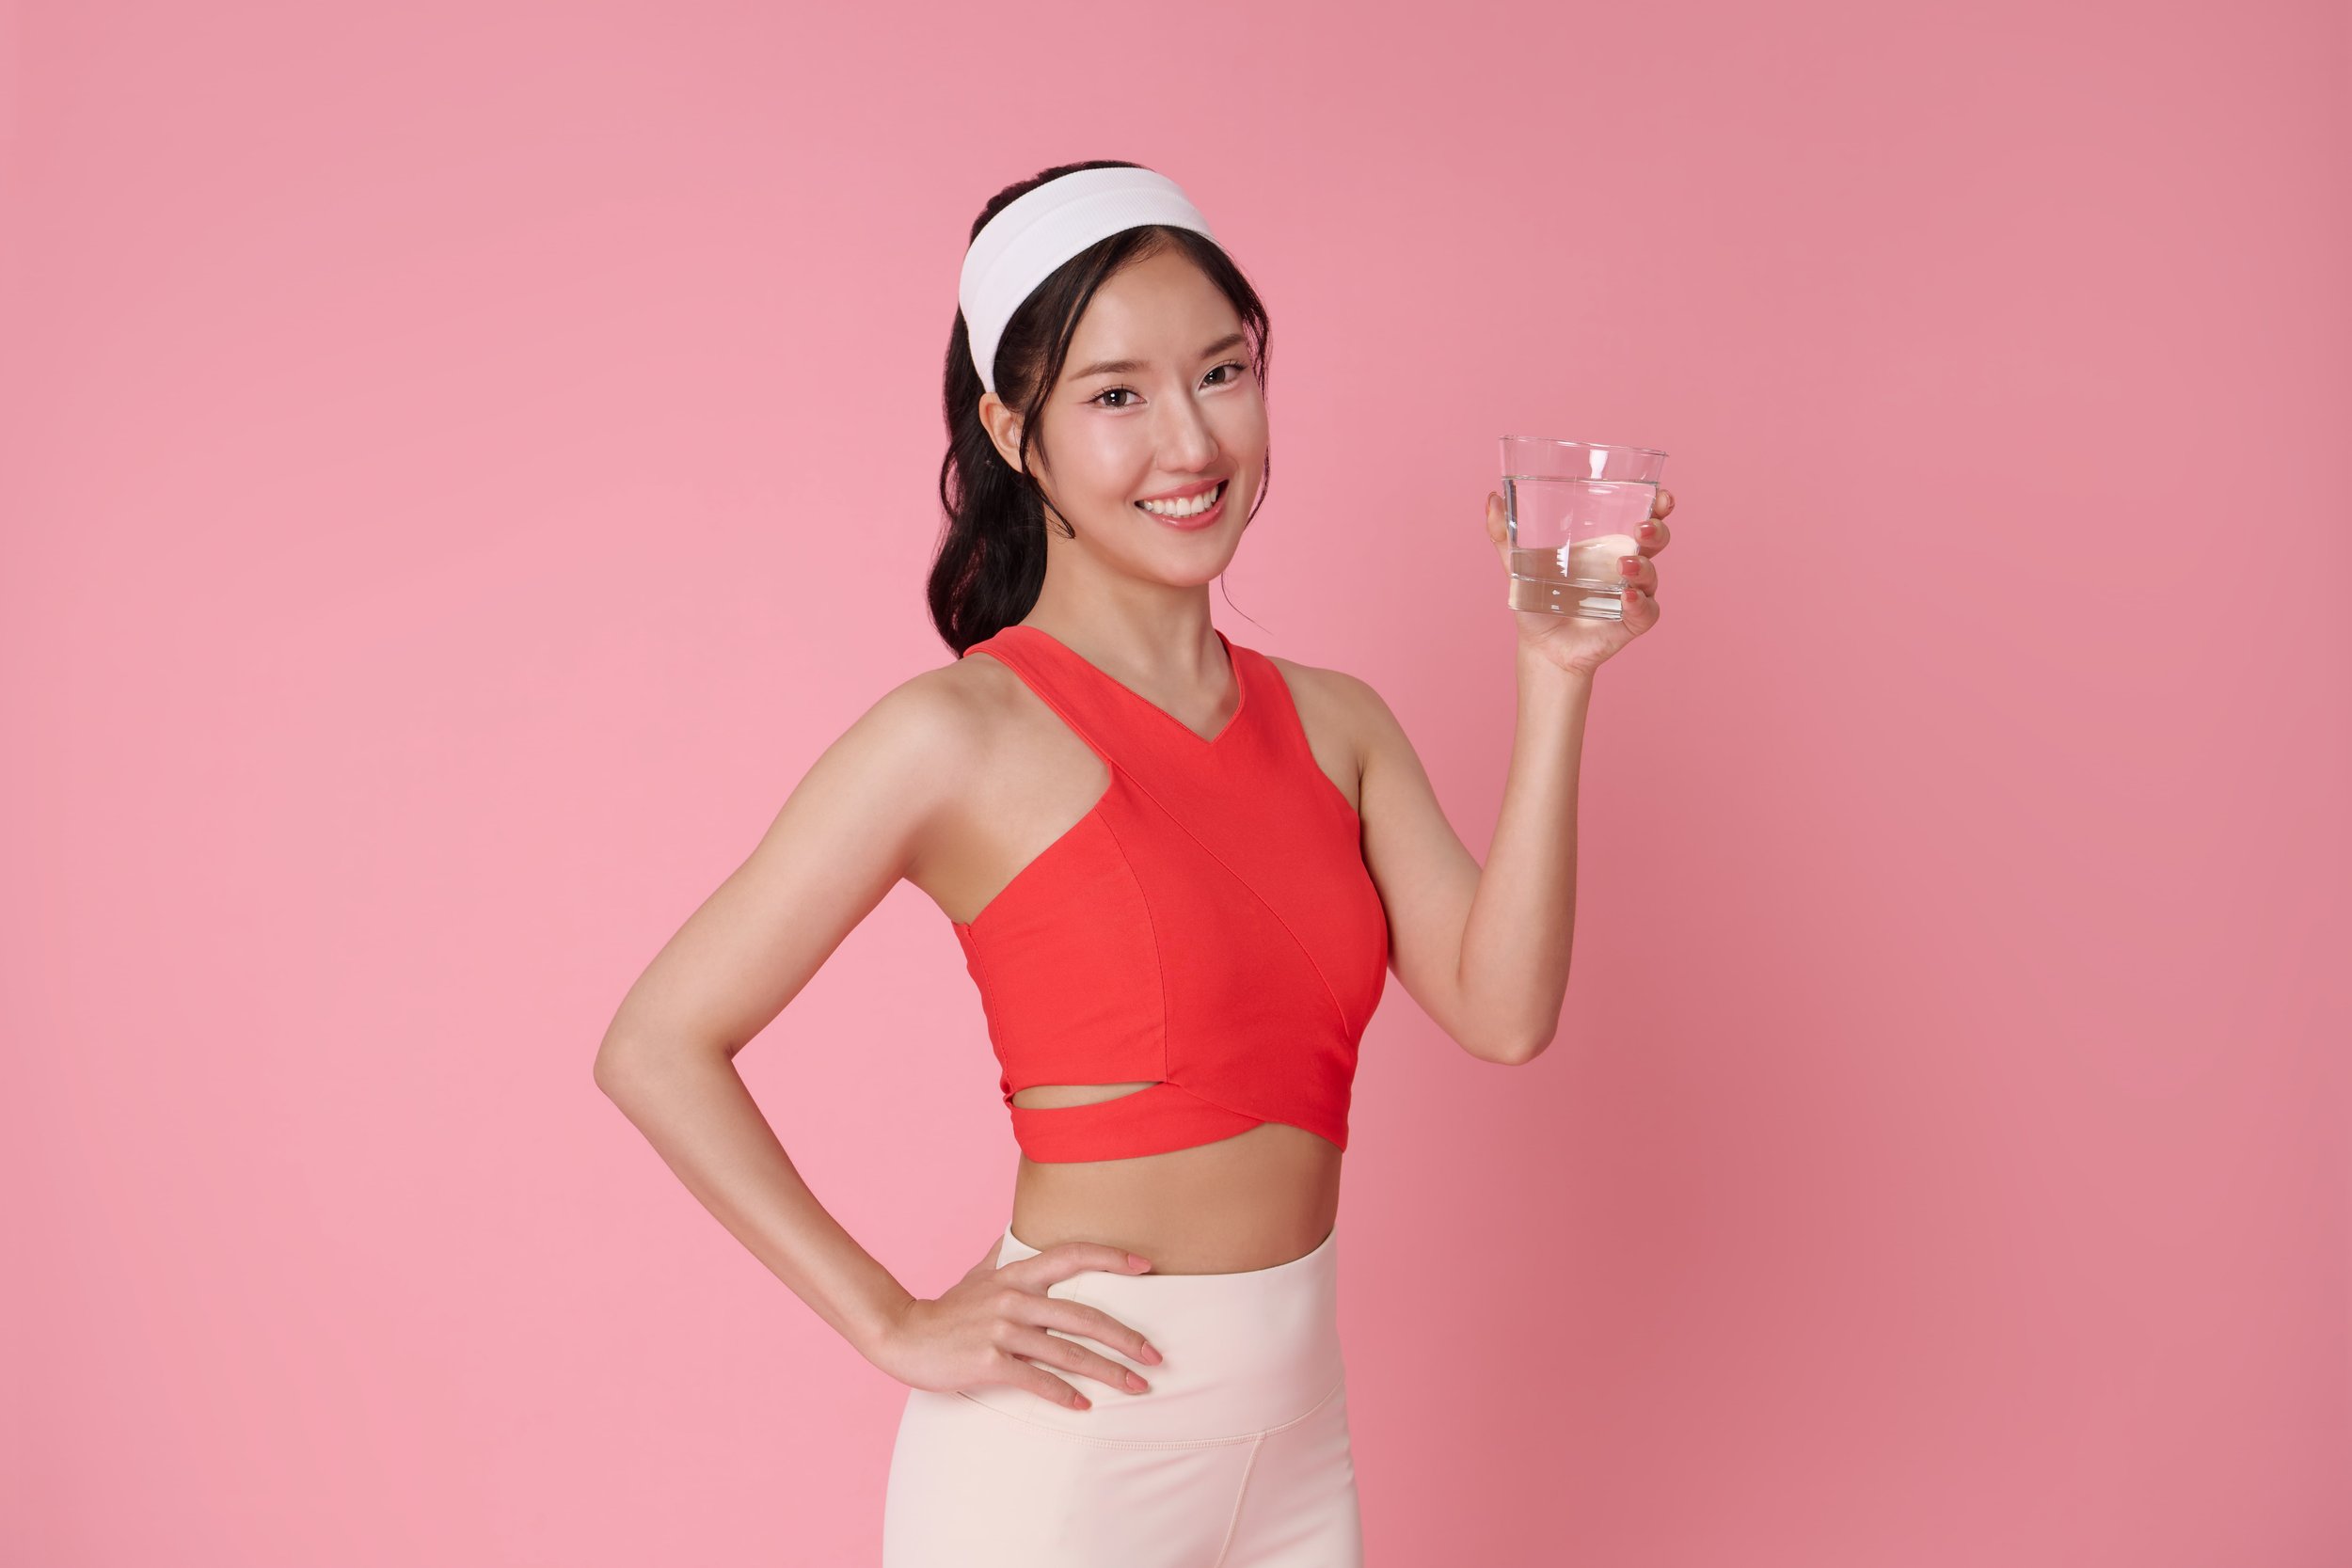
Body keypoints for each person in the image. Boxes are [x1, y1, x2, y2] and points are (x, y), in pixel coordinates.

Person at [593, 159, 1673, 1567]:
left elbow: (1505, 1011)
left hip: (1298, 1447)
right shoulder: (958, 733)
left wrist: (1556, 674)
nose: (1191, 442)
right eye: (1117, 395)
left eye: (1221, 373)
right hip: (1066, 1460)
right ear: (1012, 430)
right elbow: (656, 1042)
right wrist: (891, 1319)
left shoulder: (1337, 724)